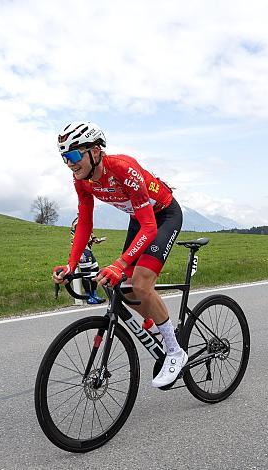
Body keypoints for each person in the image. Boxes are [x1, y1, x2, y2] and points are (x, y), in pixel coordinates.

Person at [52, 121, 185, 387]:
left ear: (95, 151)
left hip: (163, 216)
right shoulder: (83, 181)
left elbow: (149, 227)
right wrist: (71, 264)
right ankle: (158, 322)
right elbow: (85, 224)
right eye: (65, 157)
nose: (70, 163)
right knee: (123, 287)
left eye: (75, 155)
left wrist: (120, 262)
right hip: (141, 217)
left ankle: (175, 351)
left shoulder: (123, 169)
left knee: (140, 282)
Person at [70, 216, 106, 304]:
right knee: (86, 273)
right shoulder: (78, 222)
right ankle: (88, 296)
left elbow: (90, 233)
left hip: (88, 249)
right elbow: (78, 237)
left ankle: (94, 294)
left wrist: (95, 239)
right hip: (82, 249)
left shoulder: (86, 219)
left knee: (95, 270)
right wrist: (79, 253)